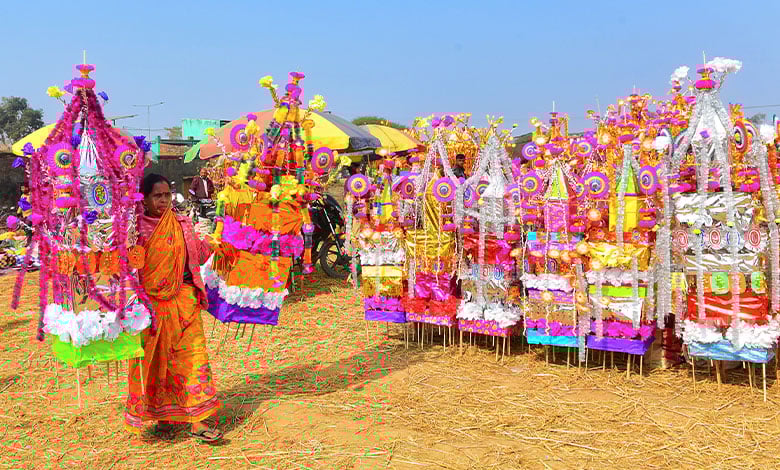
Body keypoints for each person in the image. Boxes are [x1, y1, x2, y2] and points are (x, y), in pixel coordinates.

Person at [124, 173, 223, 443]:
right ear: (143, 199)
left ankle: (198, 421)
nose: (165, 200)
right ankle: (163, 416)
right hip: (150, 310)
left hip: (184, 302)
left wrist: (215, 239)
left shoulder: (182, 223)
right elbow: (127, 269)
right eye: (158, 195)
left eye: (168, 195)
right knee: (156, 363)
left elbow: (198, 256)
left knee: (193, 358)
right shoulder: (133, 229)